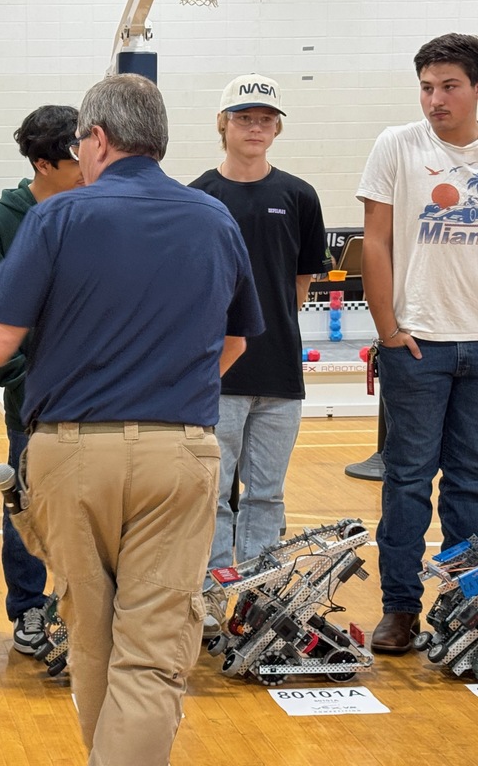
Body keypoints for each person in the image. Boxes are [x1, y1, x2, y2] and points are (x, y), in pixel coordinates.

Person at [0, 74, 263, 766]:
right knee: (154, 652)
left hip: (71, 454)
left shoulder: (58, 217)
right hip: (180, 451)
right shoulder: (213, 218)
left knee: (92, 638)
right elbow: (239, 340)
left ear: (97, 139)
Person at [190, 74, 328, 637]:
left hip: (279, 375)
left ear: (277, 128)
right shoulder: (198, 195)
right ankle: (212, 600)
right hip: (217, 375)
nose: (256, 127)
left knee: (266, 495)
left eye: (267, 119)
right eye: (245, 117)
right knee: (214, 497)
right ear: (223, 123)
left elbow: (297, 286)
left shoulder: (298, 195)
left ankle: (258, 599)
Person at [358, 32, 478, 654]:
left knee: (470, 485)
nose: (436, 99)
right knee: (407, 481)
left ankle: (462, 608)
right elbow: (373, 242)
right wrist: (387, 329)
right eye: (427, 87)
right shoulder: (397, 146)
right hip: (417, 346)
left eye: (449, 86)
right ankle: (400, 608)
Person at [0, 105, 84, 655]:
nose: (87, 164)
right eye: (73, 156)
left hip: (97, 402)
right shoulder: (2, 222)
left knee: (89, 512)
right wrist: (26, 383)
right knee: (24, 507)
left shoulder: (96, 210)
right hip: (33, 405)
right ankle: (28, 610)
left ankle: (83, 608)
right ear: (42, 163)